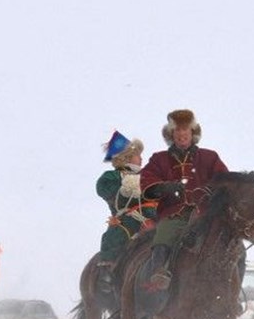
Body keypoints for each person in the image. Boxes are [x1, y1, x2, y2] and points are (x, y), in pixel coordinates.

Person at [139, 109, 228, 291]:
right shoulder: (159, 159)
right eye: (177, 131)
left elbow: (224, 181)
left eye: (185, 130)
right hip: (174, 215)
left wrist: (211, 192)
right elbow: (147, 180)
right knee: (164, 232)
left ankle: (230, 287)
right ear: (171, 134)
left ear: (193, 133)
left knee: (232, 244)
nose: (182, 135)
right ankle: (159, 273)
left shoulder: (209, 157)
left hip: (205, 214)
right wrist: (164, 187)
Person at [94, 131, 155, 293]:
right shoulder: (113, 176)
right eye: (137, 155)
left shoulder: (148, 176)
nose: (141, 158)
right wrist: (125, 189)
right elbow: (104, 190)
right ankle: (106, 272)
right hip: (128, 218)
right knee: (116, 235)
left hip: (154, 215)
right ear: (126, 157)